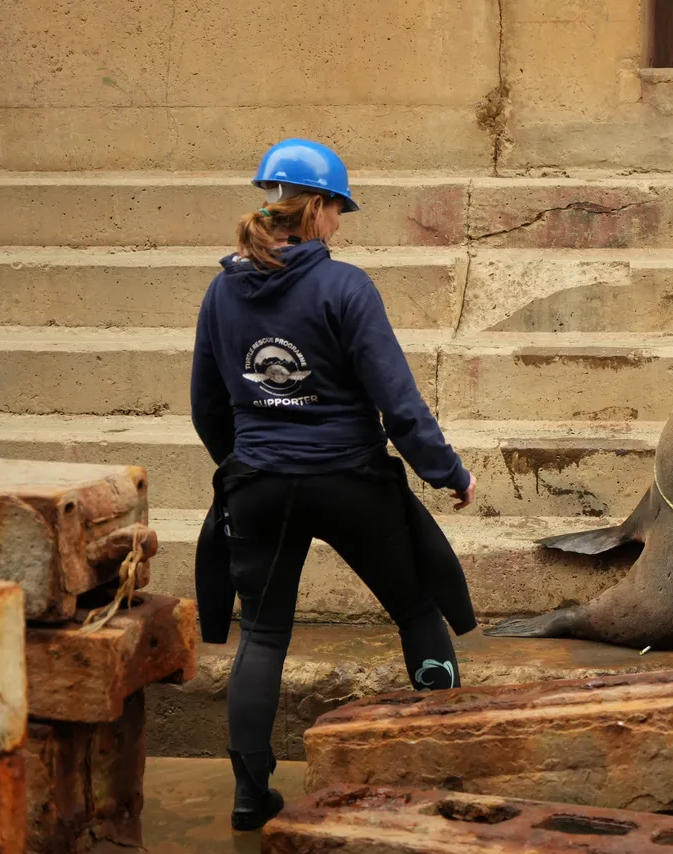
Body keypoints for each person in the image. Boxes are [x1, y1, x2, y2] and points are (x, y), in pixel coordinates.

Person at [190, 138, 479, 831]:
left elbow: (207, 403)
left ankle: (250, 797)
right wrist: (448, 472)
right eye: (339, 210)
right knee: (415, 610)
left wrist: (254, 459)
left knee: (260, 636)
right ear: (315, 208)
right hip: (350, 478)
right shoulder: (345, 287)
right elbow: (399, 404)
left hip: (260, 484)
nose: (341, 225)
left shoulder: (221, 289)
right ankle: (448, 767)